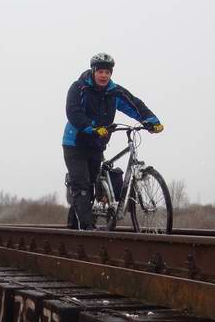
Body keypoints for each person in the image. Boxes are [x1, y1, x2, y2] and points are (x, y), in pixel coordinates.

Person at [62, 52, 164, 230]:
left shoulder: (114, 92)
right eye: (100, 71)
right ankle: (86, 229)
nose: (104, 75)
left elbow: (135, 105)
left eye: (107, 72)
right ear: (93, 71)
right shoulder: (79, 88)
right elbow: (73, 112)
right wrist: (91, 128)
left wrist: (151, 122)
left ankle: (74, 225)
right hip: (75, 144)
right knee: (82, 185)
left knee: (92, 186)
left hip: (96, 144)